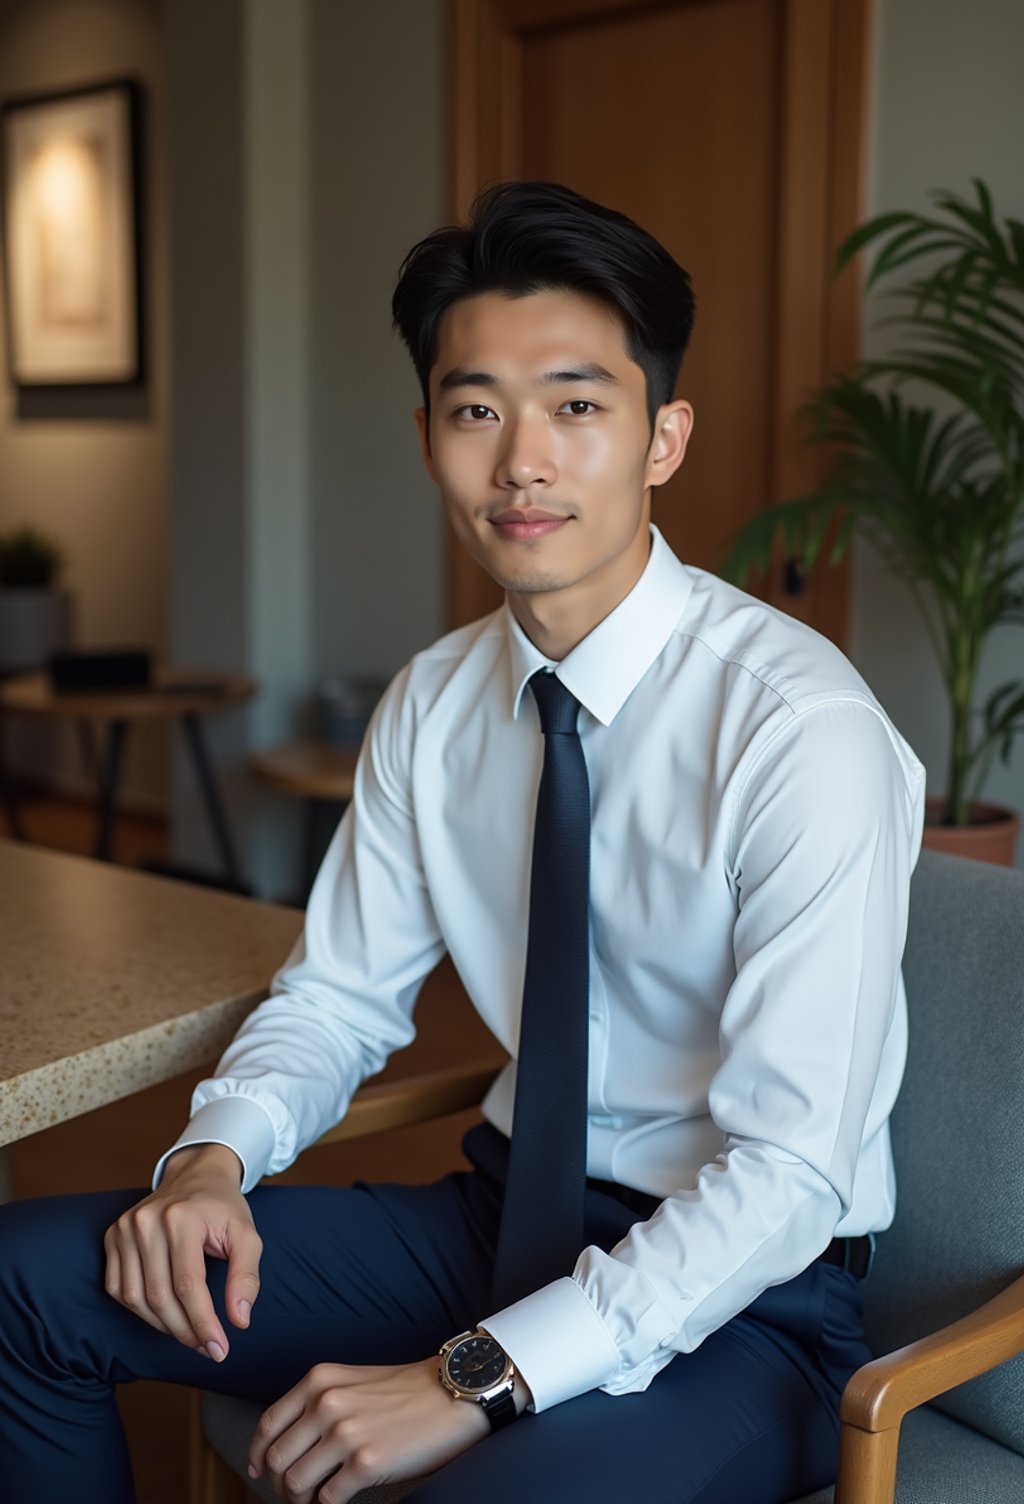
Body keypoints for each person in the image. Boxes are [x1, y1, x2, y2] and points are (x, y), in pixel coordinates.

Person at [0, 182, 924, 1504]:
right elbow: (335, 997)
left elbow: (781, 1181)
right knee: (24, 1288)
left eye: (578, 406)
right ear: (429, 435)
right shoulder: (435, 701)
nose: (523, 462)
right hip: (496, 1224)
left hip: (743, 1300)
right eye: (477, 409)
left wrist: (470, 1378)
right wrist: (212, 1159)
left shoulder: (800, 732)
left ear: (664, 438)